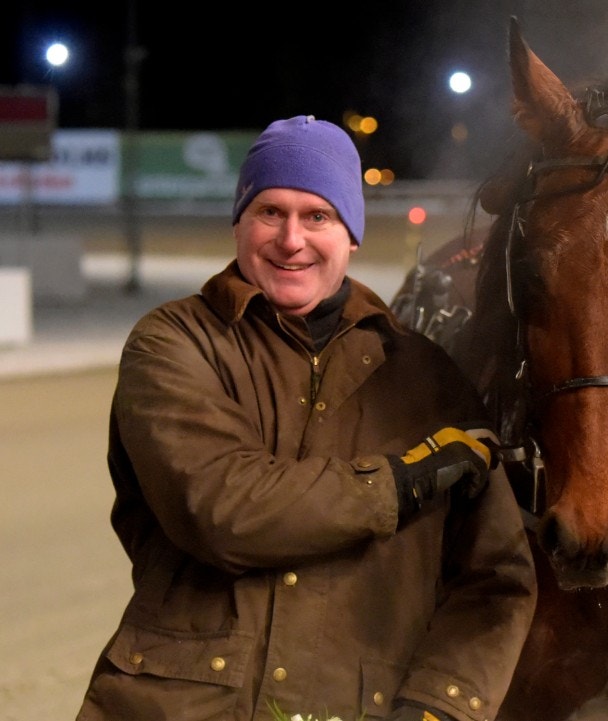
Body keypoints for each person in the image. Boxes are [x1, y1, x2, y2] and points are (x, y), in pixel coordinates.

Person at [77, 115, 537, 721]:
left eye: (317, 216)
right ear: (239, 222)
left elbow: (496, 580)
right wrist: (398, 485)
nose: (291, 239)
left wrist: (439, 706)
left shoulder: (428, 378)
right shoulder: (174, 343)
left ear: (351, 235)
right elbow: (223, 510)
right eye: (270, 211)